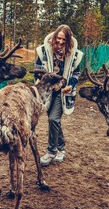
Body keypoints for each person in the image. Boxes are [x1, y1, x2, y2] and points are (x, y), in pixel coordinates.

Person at [34, 24, 84, 166]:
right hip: (48, 90)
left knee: (53, 120)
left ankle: (51, 151)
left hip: (62, 92)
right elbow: (37, 69)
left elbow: (76, 73)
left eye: (64, 40)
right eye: (59, 38)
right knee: (54, 120)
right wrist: (40, 82)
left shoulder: (74, 54)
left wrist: (71, 85)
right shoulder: (44, 50)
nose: (60, 42)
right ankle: (61, 149)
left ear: (68, 40)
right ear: (55, 37)